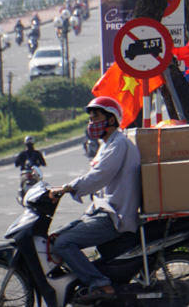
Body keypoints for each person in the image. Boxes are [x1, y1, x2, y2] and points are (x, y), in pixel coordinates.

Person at [48, 97, 140, 304]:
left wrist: (67, 188)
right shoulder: (108, 144)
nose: (91, 123)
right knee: (55, 238)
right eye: (90, 119)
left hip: (115, 216)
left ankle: (100, 284)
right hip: (104, 211)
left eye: (96, 117)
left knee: (64, 243)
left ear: (112, 120)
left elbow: (99, 176)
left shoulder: (119, 144)